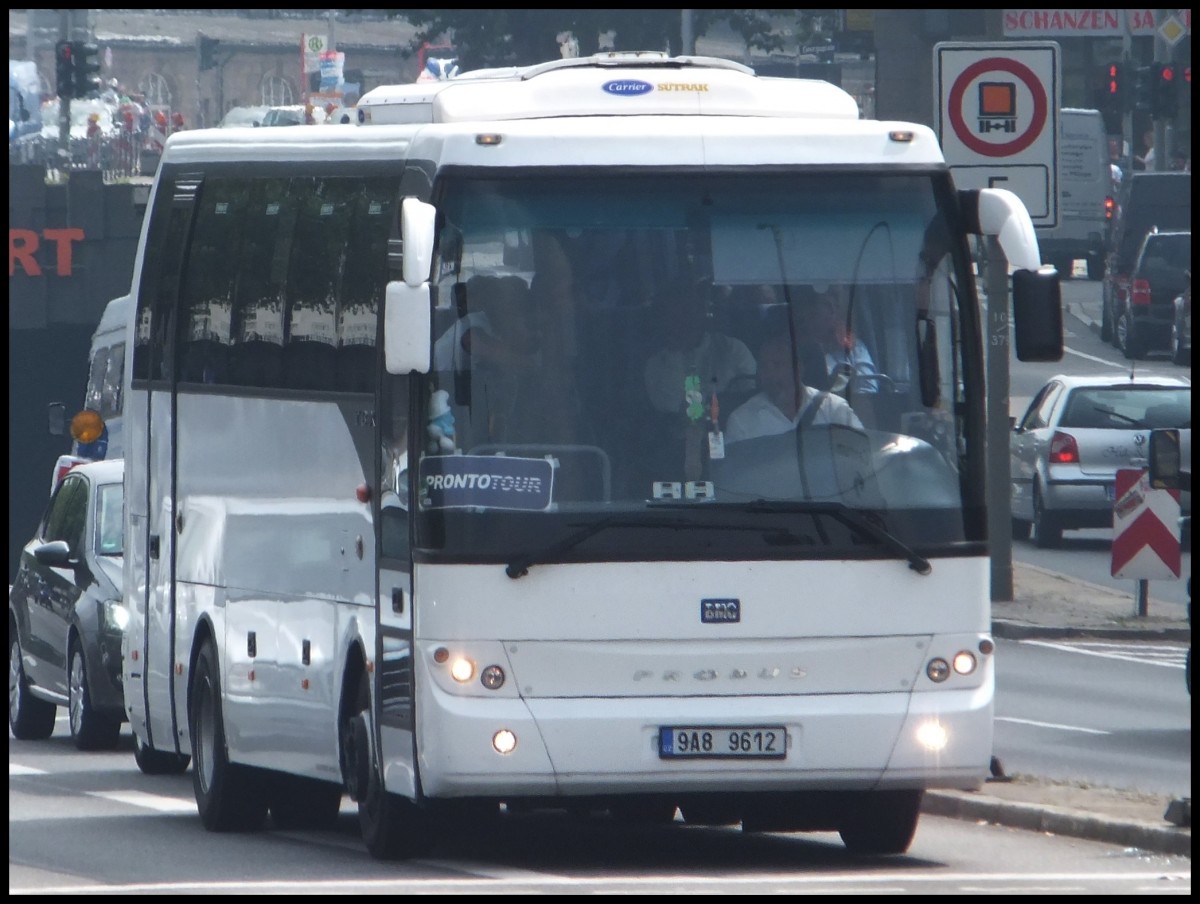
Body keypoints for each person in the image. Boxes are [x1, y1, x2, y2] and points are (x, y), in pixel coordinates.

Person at [643, 282, 757, 418]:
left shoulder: (732, 349)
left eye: (689, 310)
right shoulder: (656, 365)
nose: (684, 320)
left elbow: (752, 396)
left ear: (703, 312)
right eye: (675, 313)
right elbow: (674, 408)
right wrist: (676, 354)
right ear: (664, 319)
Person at [725, 333, 862, 444]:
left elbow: (863, 451)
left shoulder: (833, 408)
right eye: (764, 367)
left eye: (777, 365)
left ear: (798, 369)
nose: (770, 374)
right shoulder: (742, 421)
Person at [801, 284, 879, 393]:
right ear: (808, 312)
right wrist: (829, 384)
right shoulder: (795, 350)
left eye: (836, 305)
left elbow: (869, 389)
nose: (834, 311)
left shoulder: (854, 347)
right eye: (827, 305)